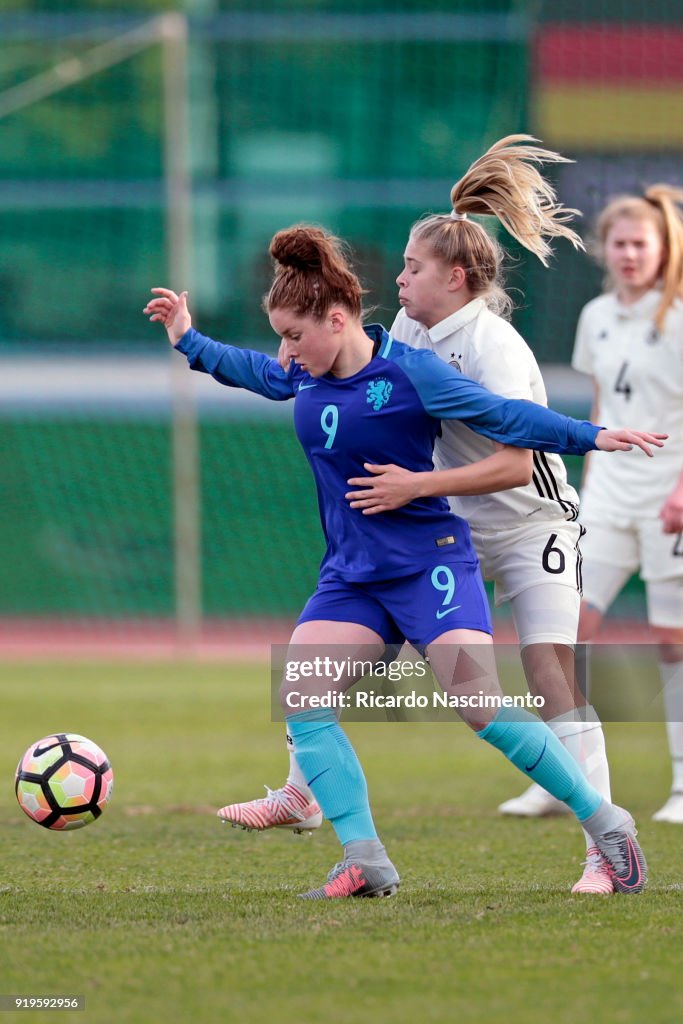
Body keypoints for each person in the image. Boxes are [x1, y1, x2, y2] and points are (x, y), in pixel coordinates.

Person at [145, 220, 659, 900]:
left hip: (430, 565)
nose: (285, 352)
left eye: (294, 335)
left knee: (478, 705)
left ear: (336, 318)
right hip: (352, 577)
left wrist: (591, 435)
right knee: (302, 695)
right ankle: (364, 859)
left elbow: (505, 416)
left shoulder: (411, 372)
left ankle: (607, 823)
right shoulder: (304, 372)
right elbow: (257, 373)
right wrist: (188, 339)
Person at [569, 185, 683, 824]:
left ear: (664, 249)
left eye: (642, 243)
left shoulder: (681, 316)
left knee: (673, 640)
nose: (631, 253)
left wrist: (681, 490)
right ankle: (563, 777)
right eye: (621, 243)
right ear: (605, 249)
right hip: (607, 495)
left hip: (669, 495)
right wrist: (584, 483)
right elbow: (598, 408)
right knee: (567, 630)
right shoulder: (596, 315)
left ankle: (682, 787)